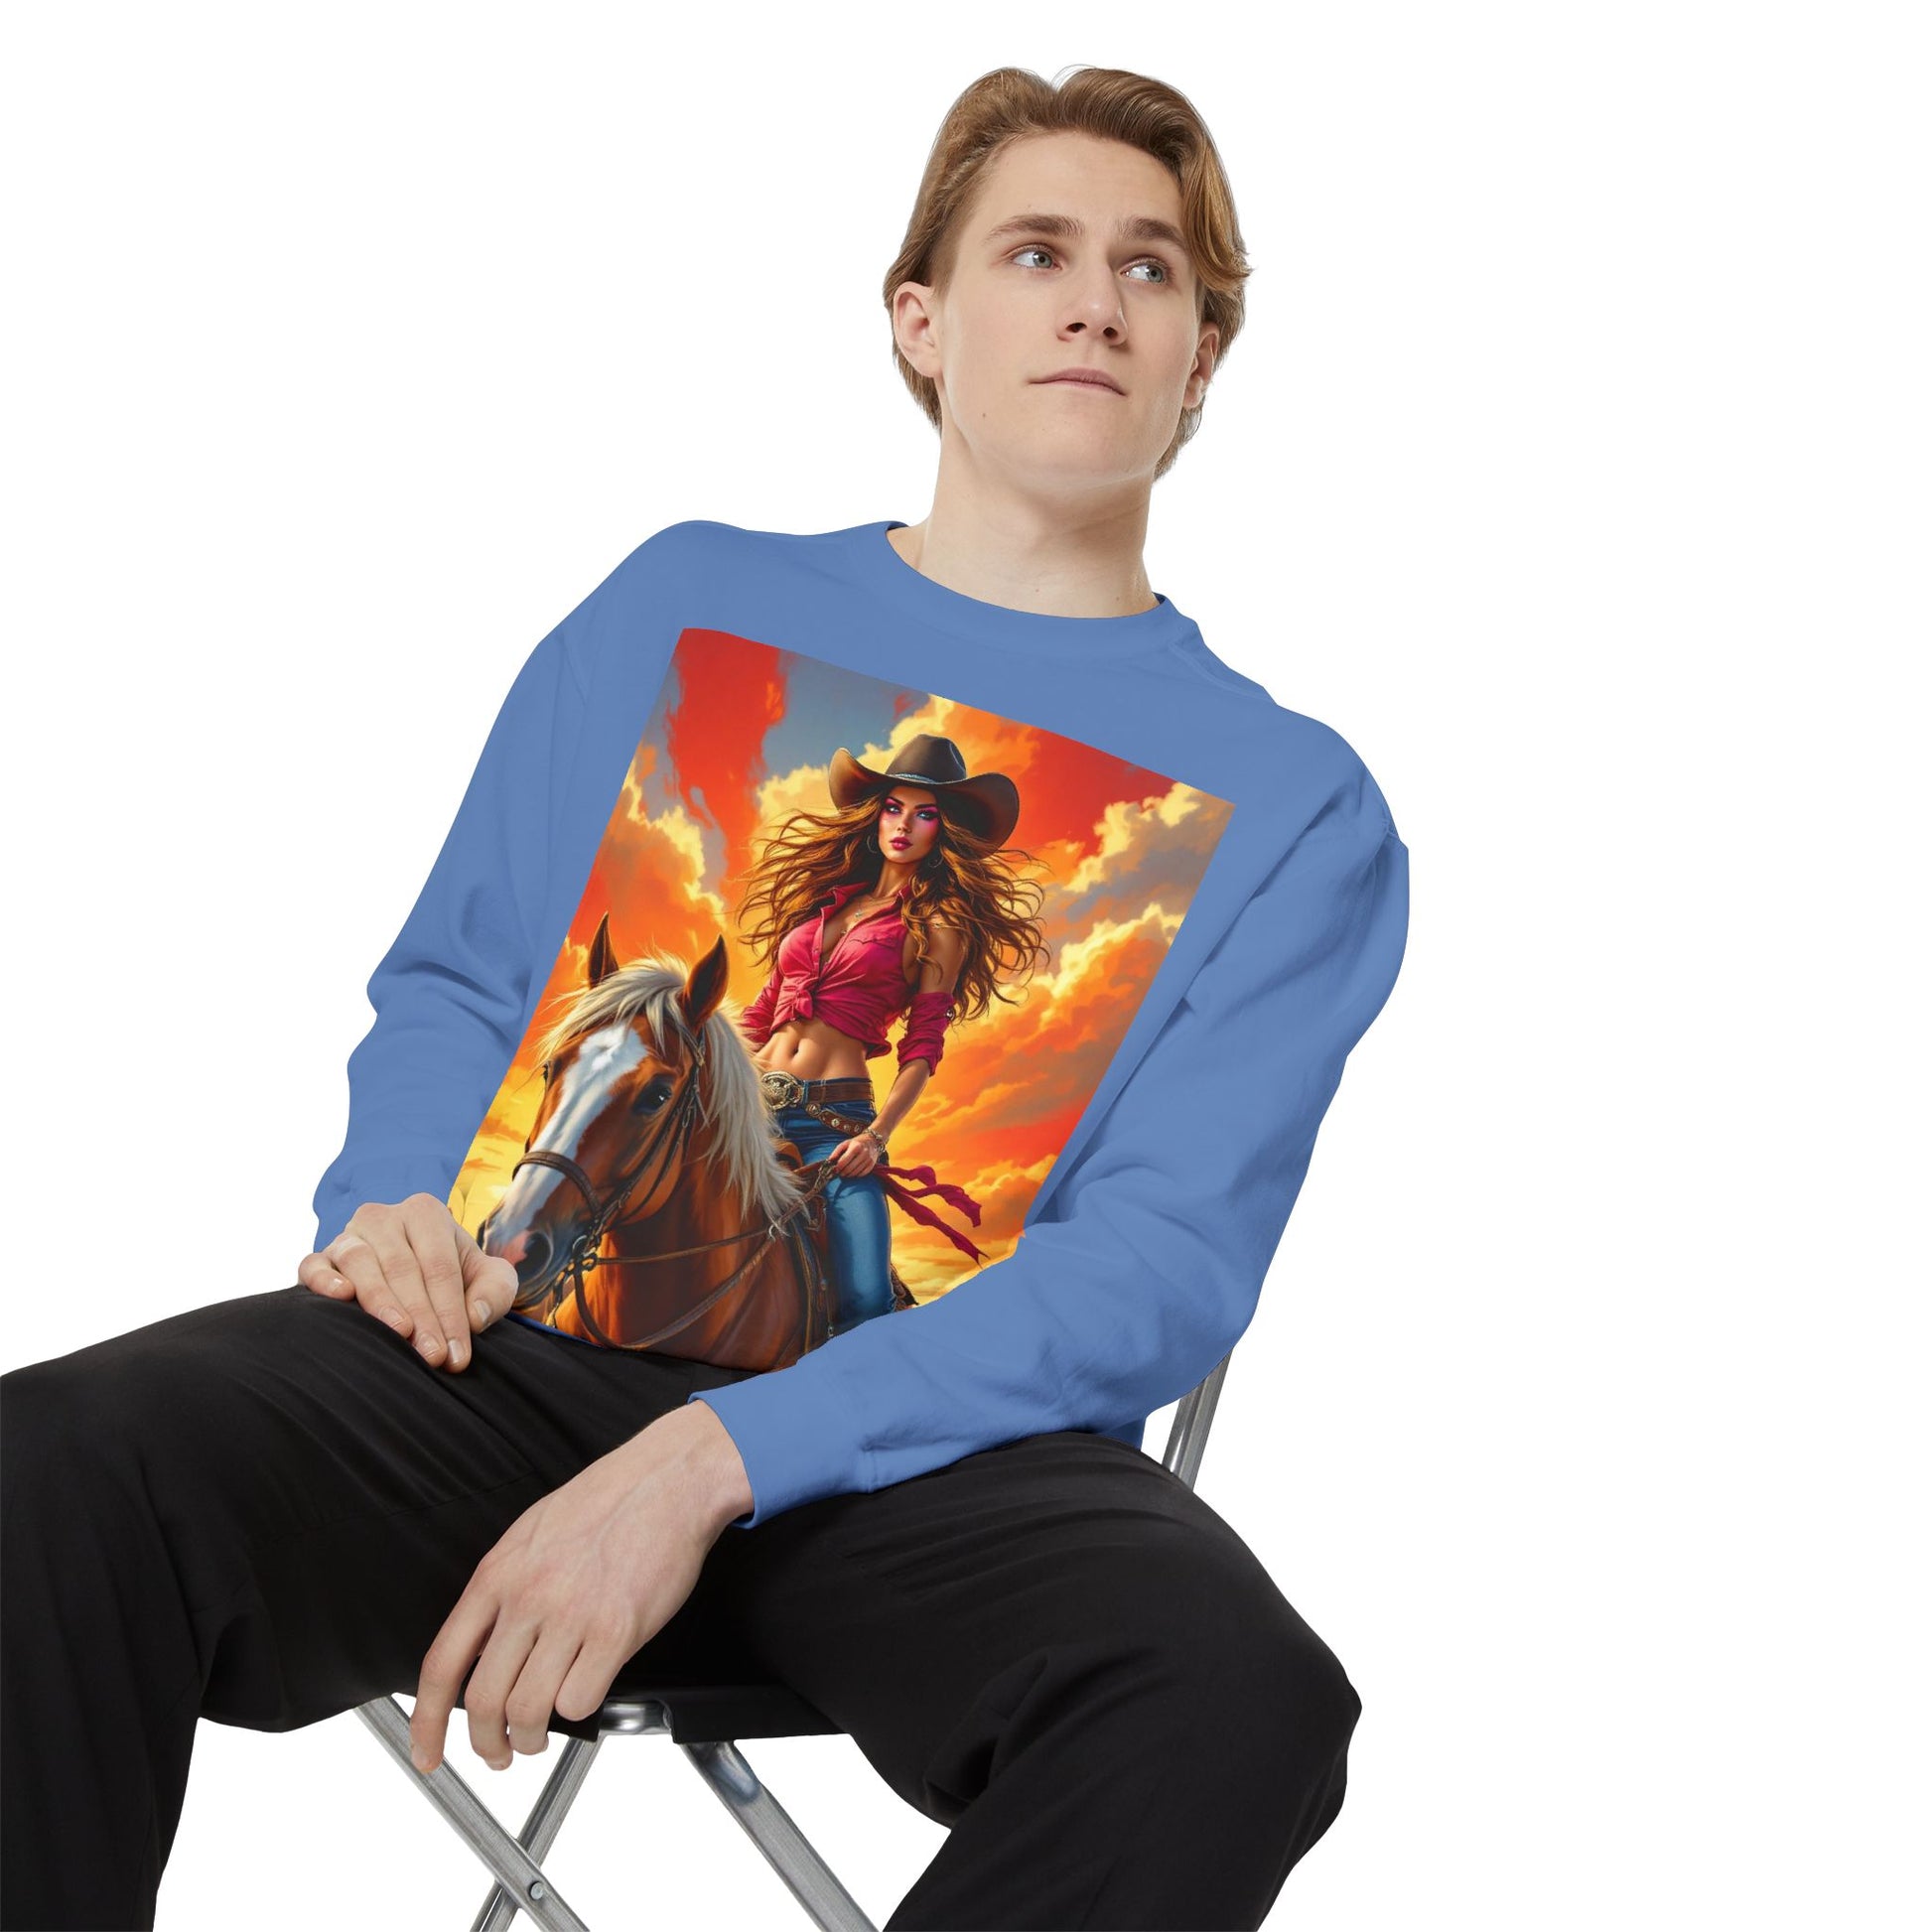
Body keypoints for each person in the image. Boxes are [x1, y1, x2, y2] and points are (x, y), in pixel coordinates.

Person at [0, 63, 1411, 1932]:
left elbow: (1152, 1267)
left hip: (925, 1448)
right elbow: (466, 974)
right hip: (500, 1358)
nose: (1093, 301)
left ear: (1198, 359)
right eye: (1035, 252)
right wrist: (390, 1208)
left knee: (1231, 1699)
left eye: (1148, 270)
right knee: (46, 1472)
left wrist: (719, 1451)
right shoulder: (681, 602)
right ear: (921, 321)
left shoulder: (1300, 804)